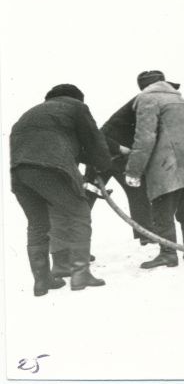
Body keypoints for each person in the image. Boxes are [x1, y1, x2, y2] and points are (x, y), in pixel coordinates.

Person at [11, 84, 112, 294]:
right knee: (80, 213)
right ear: (77, 98)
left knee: (37, 224)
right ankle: (80, 275)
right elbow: (94, 141)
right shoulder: (76, 106)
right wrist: (103, 165)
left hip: (20, 173)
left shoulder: (31, 114)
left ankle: (42, 281)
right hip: (51, 169)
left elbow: (61, 147)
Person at [125, 71, 184, 269]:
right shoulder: (177, 98)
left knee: (162, 209)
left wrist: (133, 170)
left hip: (166, 163)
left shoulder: (147, 98)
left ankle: (168, 253)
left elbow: (145, 138)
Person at [83, 94, 156, 246]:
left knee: (138, 189)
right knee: (86, 198)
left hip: (120, 160)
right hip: (101, 158)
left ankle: (145, 233)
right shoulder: (138, 106)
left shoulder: (147, 107)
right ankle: (76, 245)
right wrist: (118, 148)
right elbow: (99, 136)